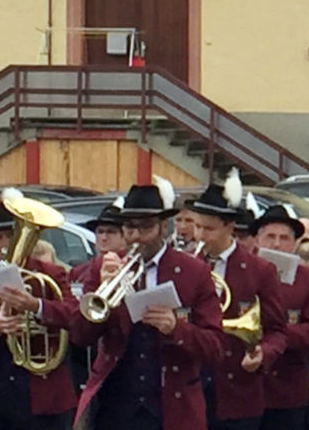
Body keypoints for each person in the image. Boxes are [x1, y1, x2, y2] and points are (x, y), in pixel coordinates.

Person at [70, 178, 223, 430]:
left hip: (170, 407)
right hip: (115, 407)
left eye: (145, 228)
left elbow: (215, 346)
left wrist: (176, 328)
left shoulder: (194, 271)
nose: (137, 237)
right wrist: (101, 290)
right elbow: (79, 336)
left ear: (163, 226)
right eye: (130, 228)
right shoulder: (104, 266)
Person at [0, 192, 78, 430]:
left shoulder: (50, 275)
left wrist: (36, 306)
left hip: (43, 396)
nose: (2, 244)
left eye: (9, 235)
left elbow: (75, 316)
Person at [188, 171, 289, 430]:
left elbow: (277, 330)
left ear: (229, 227)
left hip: (237, 390)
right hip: (190, 386)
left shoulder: (260, 270)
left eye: (209, 229)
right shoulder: (185, 265)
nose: (200, 236)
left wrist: (263, 353)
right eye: (197, 226)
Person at [251, 206, 309, 430]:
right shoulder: (243, 272)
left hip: (287, 391)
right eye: (270, 237)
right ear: (257, 240)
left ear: (295, 244)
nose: (277, 244)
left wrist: (276, 334)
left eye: (284, 238)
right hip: (244, 389)